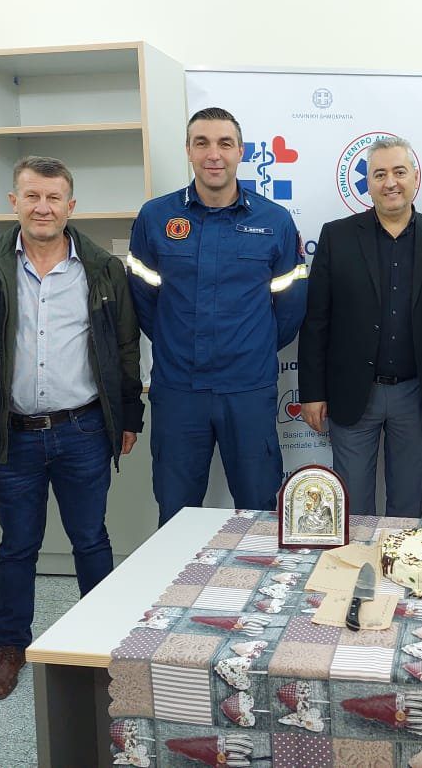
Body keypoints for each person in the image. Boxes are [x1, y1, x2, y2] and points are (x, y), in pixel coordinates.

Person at [0, 155, 144, 701]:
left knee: (91, 538)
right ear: (14, 202)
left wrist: (129, 414)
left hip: (83, 428)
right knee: (17, 546)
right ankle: (11, 647)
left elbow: (125, 346)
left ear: (70, 205)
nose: (43, 207)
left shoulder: (102, 268)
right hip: (12, 435)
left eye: (53, 197)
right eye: (32, 196)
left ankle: (101, 639)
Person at [127, 107, 307, 525]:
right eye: (202, 143)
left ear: (241, 152)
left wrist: (252, 347)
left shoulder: (275, 221)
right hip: (178, 390)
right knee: (176, 510)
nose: (214, 154)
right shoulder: (155, 218)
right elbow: (143, 299)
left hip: (248, 389)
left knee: (258, 509)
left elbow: (290, 307)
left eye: (225, 143)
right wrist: (175, 342)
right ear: (188, 150)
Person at [298, 137, 422, 516]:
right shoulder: (337, 236)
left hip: (416, 395)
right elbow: (316, 320)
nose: (390, 182)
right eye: (380, 174)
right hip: (353, 392)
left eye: (399, 172)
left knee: (408, 507)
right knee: (352, 508)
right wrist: (312, 392)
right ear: (367, 183)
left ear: (415, 178)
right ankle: (355, 558)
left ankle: (400, 558)